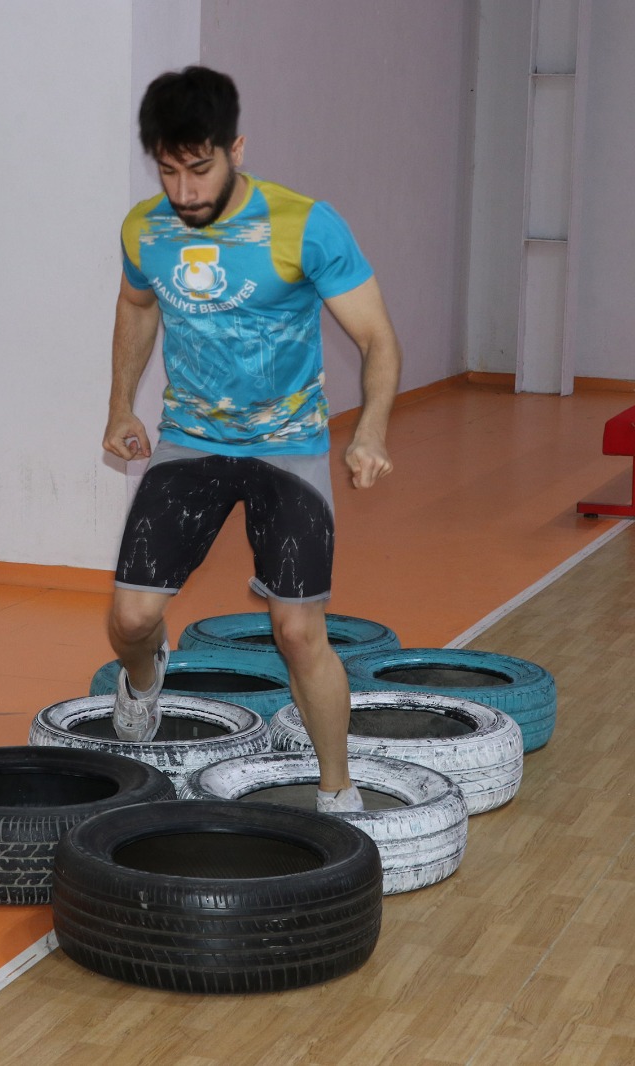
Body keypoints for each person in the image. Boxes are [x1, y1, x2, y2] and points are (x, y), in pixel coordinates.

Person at [103, 66, 401, 813]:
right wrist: (119, 406)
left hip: (289, 447)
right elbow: (138, 309)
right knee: (131, 620)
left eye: (199, 168)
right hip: (190, 439)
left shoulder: (305, 224)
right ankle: (144, 680)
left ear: (236, 147)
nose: (185, 190)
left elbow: (376, 339)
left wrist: (369, 430)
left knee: (298, 633)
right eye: (169, 171)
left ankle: (338, 795)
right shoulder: (146, 228)